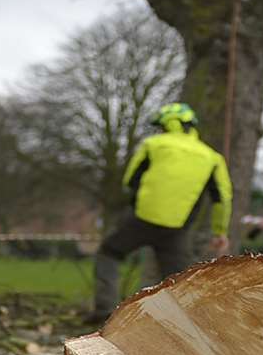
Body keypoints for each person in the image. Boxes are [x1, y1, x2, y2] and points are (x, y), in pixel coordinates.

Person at [88, 102, 233, 324]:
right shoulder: (212, 157)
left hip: (141, 220)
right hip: (177, 229)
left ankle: (105, 312)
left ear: (167, 124)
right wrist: (219, 231)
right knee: (177, 281)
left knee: (109, 253)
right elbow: (222, 199)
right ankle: (177, 324)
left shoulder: (152, 144)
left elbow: (130, 180)